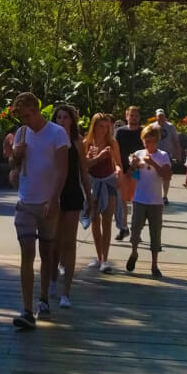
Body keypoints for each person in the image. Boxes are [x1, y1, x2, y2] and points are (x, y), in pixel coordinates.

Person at [6, 92, 71, 329]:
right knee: (27, 252)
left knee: (46, 252)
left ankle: (43, 298)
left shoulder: (57, 133)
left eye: (27, 115)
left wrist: (54, 199)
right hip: (25, 201)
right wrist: (15, 155)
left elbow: (63, 169)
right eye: (21, 117)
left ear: (36, 111)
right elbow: (13, 164)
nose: (25, 121)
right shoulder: (22, 133)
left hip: (47, 201)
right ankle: (26, 309)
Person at [51, 104, 87, 309]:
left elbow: (83, 170)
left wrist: (90, 197)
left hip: (73, 192)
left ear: (72, 121)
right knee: (54, 241)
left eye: (66, 117)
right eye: (59, 117)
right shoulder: (51, 140)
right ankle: (52, 279)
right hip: (55, 193)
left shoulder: (77, 142)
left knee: (69, 242)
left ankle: (66, 292)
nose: (62, 121)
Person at [124, 123, 172, 276]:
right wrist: (133, 166)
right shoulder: (138, 154)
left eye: (150, 141)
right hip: (139, 199)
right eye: (145, 140)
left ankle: (154, 265)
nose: (147, 143)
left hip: (155, 201)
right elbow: (130, 176)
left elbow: (166, 175)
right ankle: (134, 252)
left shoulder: (163, 155)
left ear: (156, 141)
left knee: (155, 233)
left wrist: (153, 163)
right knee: (135, 230)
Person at [82, 113, 123, 272]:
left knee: (107, 219)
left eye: (107, 127)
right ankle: (99, 256)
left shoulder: (112, 143)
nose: (104, 130)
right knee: (95, 220)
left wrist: (118, 172)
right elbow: (83, 166)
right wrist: (94, 157)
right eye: (101, 126)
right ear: (94, 127)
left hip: (108, 182)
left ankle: (105, 259)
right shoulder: (87, 143)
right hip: (93, 183)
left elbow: (118, 163)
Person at [112, 106, 143, 240]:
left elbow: (147, 151)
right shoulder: (120, 132)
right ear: (126, 116)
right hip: (122, 170)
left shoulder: (143, 132)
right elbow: (115, 150)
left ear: (139, 117)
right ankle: (123, 228)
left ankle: (136, 230)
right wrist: (118, 168)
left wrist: (134, 167)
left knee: (137, 201)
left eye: (136, 115)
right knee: (122, 201)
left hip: (139, 171)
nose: (133, 118)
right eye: (131, 115)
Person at [153, 109, 183, 198]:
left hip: (167, 154)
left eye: (162, 116)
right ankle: (156, 195)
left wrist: (178, 154)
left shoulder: (170, 126)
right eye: (159, 116)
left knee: (166, 176)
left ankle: (165, 196)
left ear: (164, 116)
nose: (161, 118)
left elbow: (175, 141)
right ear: (156, 117)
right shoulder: (152, 126)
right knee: (154, 175)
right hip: (154, 154)